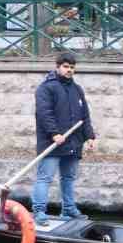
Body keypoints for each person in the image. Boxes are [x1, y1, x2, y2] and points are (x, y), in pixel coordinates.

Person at [33, 51, 97, 223]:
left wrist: (90, 136)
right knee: (45, 178)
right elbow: (44, 114)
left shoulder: (77, 90)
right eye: (66, 67)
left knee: (68, 177)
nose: (69, 70)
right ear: (58, 67)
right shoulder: (46, 88)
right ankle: (39, 212)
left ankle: (68, 210)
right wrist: (54, 133)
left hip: (73, 143)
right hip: (52, 143)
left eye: (72, 67)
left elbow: (85, 115)